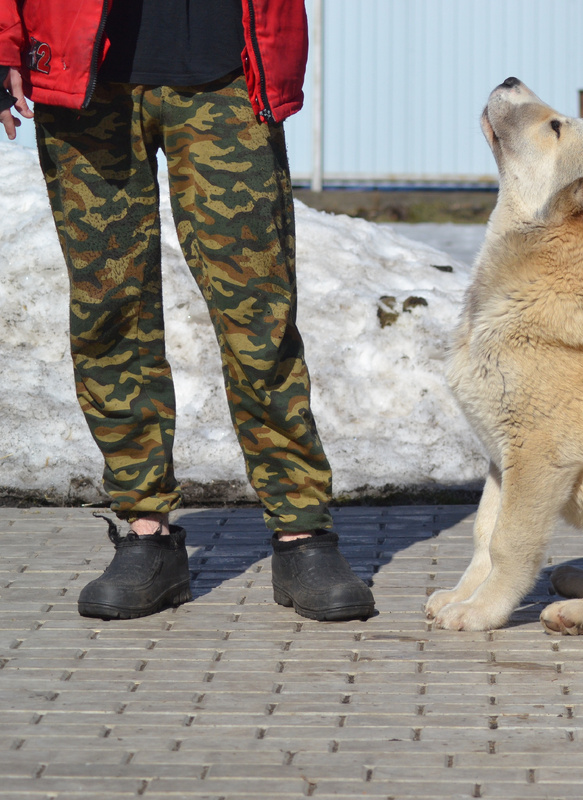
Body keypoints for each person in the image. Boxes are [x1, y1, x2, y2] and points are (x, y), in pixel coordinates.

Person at [0, 0, 375, 622]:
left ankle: (302, 532)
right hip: (85, 72)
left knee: (259, 314)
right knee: (109, 311)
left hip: (231, 69)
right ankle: (145, 533)